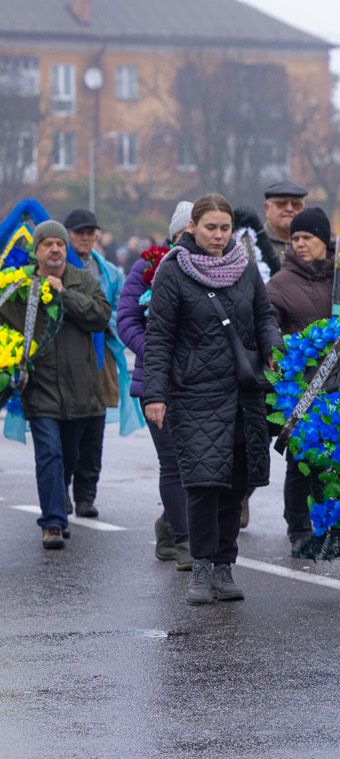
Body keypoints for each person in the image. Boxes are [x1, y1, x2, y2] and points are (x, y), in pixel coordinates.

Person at [143, 194, 281, 605]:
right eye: (210, 228)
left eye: (224, 229)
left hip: (243, 394)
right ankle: (200, 567)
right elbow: (160, 337)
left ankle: (225, 567)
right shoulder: (172, 271)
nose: (219, 236)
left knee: (235, 485)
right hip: (195, 394)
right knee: (203, 485)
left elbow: (264, 317)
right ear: (193, 229)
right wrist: (156, 394)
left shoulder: (244, 268)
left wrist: (273, 347)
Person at [265, 207, 340, 558]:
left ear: (324, 240)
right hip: (306, 389)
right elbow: (268, 324)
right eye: (295, 239)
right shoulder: (280, 284)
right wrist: (278, 350)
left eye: (308, 238)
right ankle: (300, 530)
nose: (300, 244)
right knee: (302, 461)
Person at [0, 220, 112, 550]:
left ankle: (58, 499)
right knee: (49, 453)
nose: (55, 249)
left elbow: (100, 317)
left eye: (60, 244)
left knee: (69, 455)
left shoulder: (84, 281)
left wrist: (65, 295)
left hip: (80, 388)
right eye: (47, 244)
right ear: (36, 251)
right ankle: (51, 522)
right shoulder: (21, 287)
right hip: (42, 386)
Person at [117, 202, 194, 568]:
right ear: (173, 235)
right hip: (157, 381)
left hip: (203, 383)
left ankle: (169, 525)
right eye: (185, 234)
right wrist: (160, 350)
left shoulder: (221, 269)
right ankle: (184, 542)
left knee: (201, 464)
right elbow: (127, 320)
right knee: (174, 463)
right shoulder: (147, 268)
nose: (192, 242)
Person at [62, 208, 137, 520]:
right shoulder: (58, 267)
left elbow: (120, 310)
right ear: (67, 234)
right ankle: (60, 491)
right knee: (67, 429)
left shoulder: (109, 272)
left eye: (91, 232)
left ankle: (85, 496)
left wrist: (104, 320)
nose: (86, 238)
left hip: (100, 358)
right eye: (80, 232)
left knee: (94, 429)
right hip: (63, 359)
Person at [262, 180, 307, 260]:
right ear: (267, 208)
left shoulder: (311, 246)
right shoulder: (253, 244)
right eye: (281, 203)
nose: (289, 209)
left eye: (296, 204)